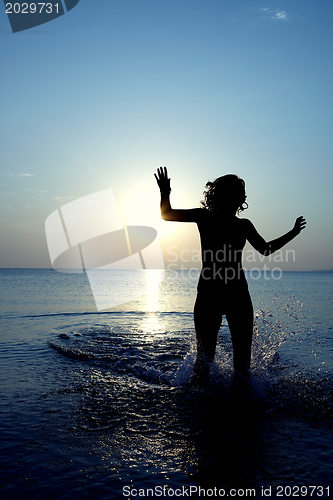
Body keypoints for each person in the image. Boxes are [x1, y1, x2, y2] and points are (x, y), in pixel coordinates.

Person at [154, 166, 306, 382]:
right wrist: (165, 191)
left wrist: (293, 233)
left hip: (226, 295)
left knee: (222, 363)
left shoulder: (235, 223)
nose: (238, 200)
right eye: (236, 195)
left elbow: (265, 249)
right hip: (223, 295)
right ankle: (219, 409)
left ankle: (200, 408)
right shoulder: (211, 218)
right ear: (232, 198)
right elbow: (166, 215)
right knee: (214, 362)